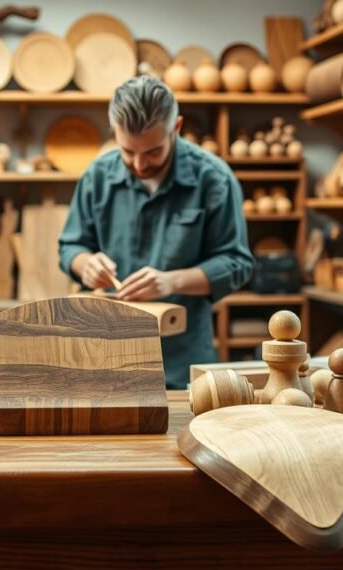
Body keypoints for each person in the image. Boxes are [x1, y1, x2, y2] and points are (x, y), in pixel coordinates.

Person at [58, 76, 255, 389]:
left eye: (152, 151)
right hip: (105, 355)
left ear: (176, 127)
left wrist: (171, 281)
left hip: (183, 363)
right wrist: (86, 264)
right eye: (127, 151)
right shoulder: (97, 176)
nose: (138, 164)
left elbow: (237, 263)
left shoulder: (214, 179)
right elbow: (70, 246)